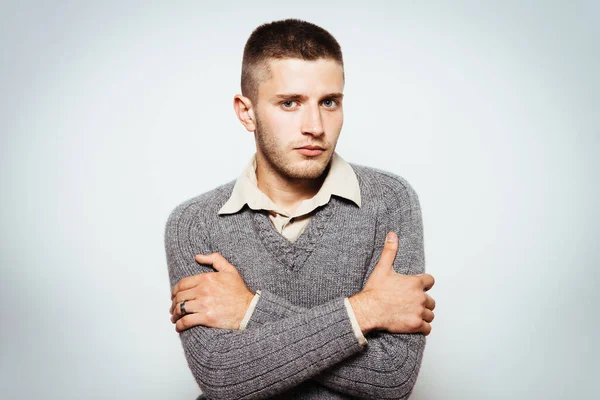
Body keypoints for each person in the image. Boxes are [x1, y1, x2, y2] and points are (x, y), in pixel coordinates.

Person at [164, 18, 436, 400]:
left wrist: (249, 311)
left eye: (329, 102)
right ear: (247, 112)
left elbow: (392, 376)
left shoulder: (389, 200)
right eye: (290, 103)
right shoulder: (194, 223)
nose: (315, 126)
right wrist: (366, 311)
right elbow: (221, 377)